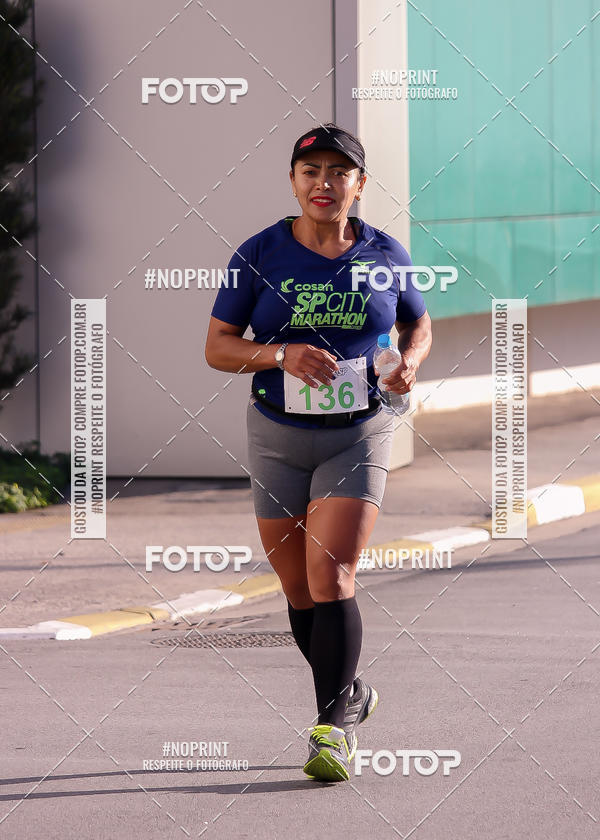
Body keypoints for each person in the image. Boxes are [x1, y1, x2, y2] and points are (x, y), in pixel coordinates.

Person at [205, 123, 432, 782]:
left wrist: (410, 362)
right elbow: (218, 347)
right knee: (298, 588)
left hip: (357, 433)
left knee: (331, 576)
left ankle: (332, 729)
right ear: (294, 181)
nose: (324, 184)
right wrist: (280, 354)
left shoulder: (386, 253)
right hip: (276, 436)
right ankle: (350, 690)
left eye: (339, 173)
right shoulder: (259, 253)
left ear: (359, 185)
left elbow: (418, 321)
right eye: (311, 172)